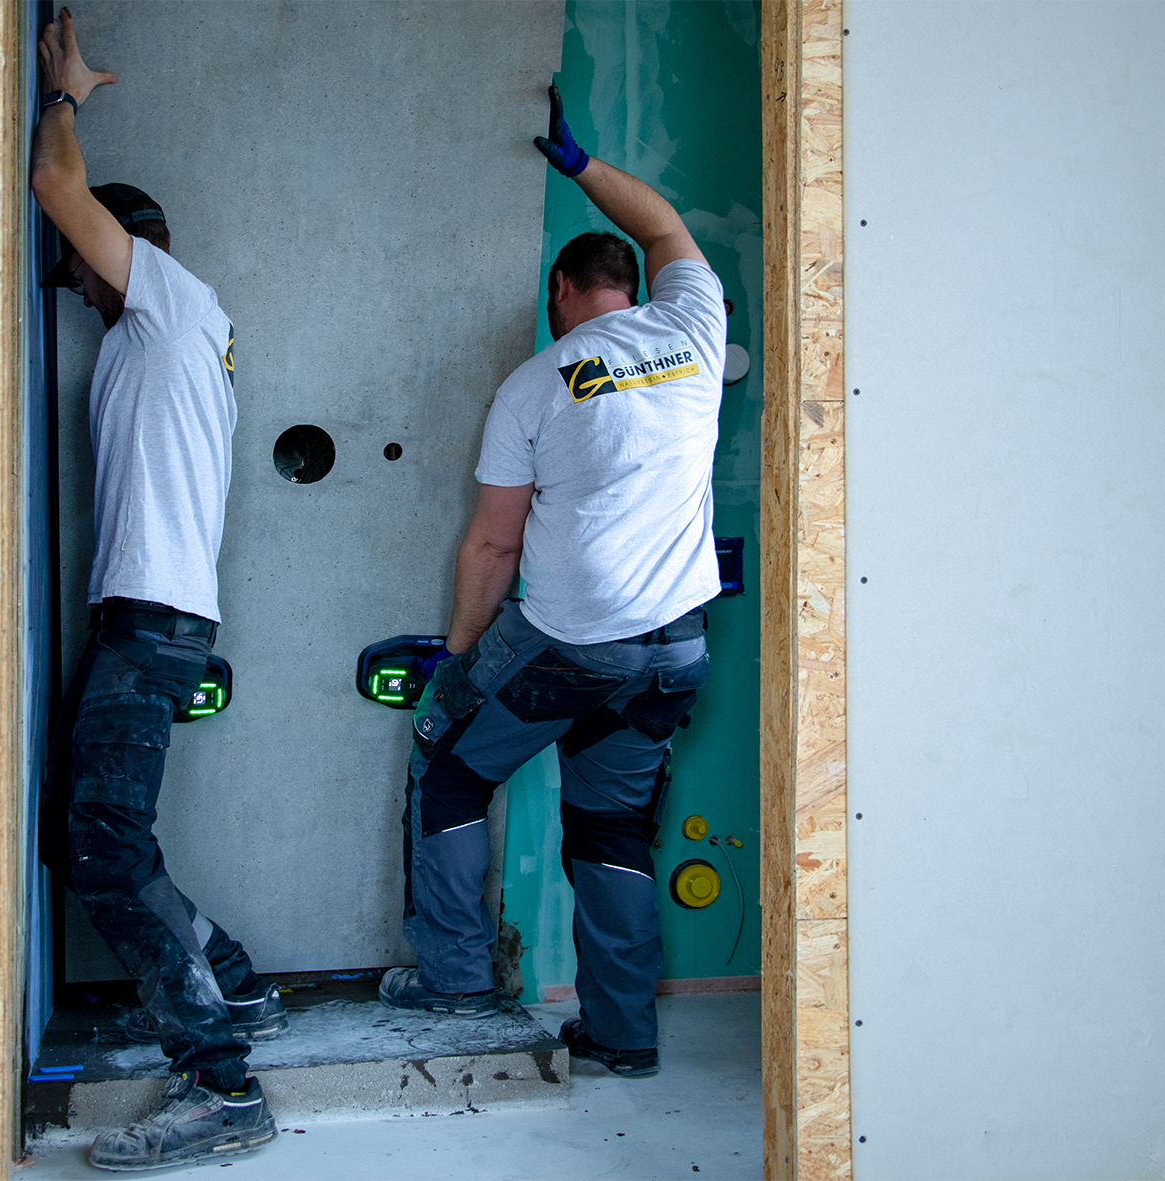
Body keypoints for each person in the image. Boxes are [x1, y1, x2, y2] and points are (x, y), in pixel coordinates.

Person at [378, 86, 725, 1080]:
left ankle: (451, 975)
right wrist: (580, 167)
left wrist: (453, 658)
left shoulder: (536, 381)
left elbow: (492, 545)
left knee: (449, 761)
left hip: (571, 641)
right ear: (636, 289)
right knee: (609, 825)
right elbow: (659, 220)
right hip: (676, 648)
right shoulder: (695, 329)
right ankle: (620, 1033)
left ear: (563, 292)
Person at [29, 9, 280, 1170]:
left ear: (123, 249)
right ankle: (226, 977)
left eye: (77, 267)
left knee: (105, 847)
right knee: (91, 836)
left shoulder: (170, 298)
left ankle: (221, 1085)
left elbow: (54, 189)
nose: (69, 287)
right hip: (149, 615)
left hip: (152, 620)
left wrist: (65, 98)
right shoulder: (167, 330)